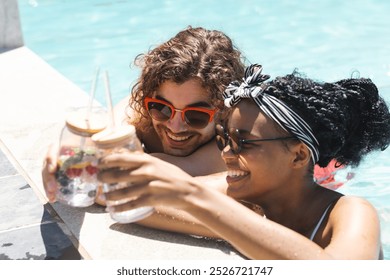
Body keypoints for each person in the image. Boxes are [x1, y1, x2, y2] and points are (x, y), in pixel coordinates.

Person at [97, 64, 390, 259]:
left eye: (243, 143)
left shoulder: (351, 212)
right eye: (223, 138)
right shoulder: (239, 193)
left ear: (299, 155)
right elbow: (128, 200)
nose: (225, 153)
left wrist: (197, 200)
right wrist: (232, 223)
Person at [42, 26, 246, 203]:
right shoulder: (141, 110)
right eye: (162, 108)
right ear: (147, 97)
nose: (175, 126)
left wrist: (92, 161)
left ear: (224, 111)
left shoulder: (234, 141)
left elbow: (181, 170)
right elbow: (104, 134)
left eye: (195, 115)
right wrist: (69, 153)